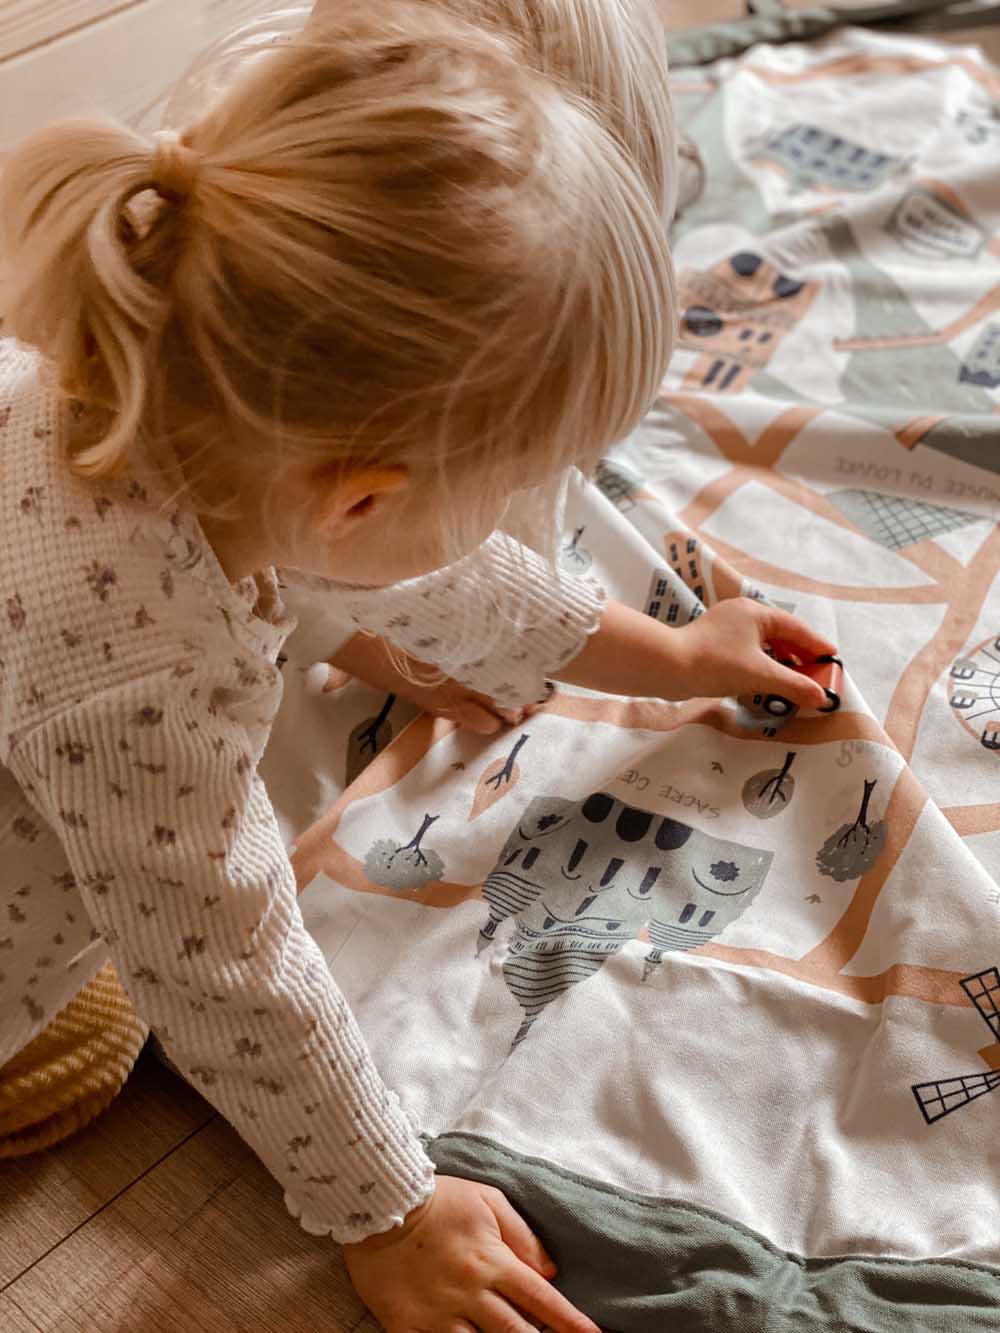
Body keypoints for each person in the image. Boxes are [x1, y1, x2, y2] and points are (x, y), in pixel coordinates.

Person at [0, 1, 835, 1328]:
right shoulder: (148, 678)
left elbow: (444, 577)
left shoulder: (182, 404)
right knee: (106, 1037)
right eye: (511, 477)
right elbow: (224, 958)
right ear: (358, 500)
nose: (525, 504)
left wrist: (670, 654)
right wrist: (385, 1202)